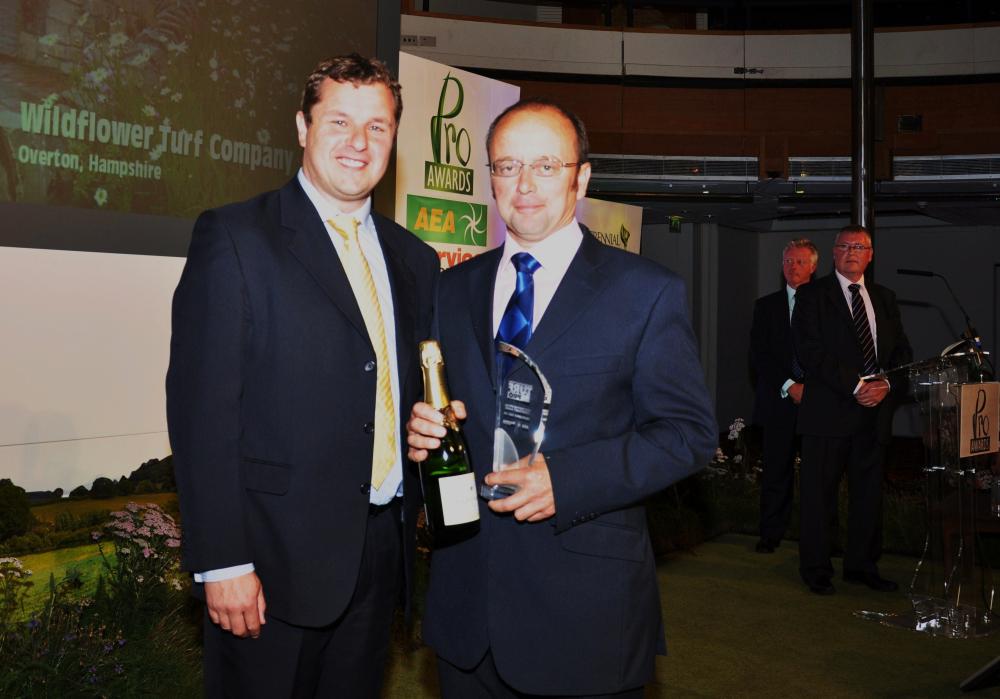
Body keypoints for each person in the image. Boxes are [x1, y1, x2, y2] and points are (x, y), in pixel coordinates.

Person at [406, 98, 716, 697]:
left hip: (584, 616)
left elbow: (686, 435)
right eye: (506, 166)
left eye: (546, 166)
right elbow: (446, 416)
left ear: (582, 176)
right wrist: (420, 435)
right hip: (466, 613)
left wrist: (567, 478)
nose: (524, 185)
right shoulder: (451, 289)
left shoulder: (645, 293)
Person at [165, 54, 439, 697]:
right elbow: (202, 412)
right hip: (269, 562)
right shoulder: (235, 238)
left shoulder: (415, 259)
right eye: (339, 121)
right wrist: (223, 561)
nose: (358, 142)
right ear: (301, 126)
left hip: (380, 554)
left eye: (377, 126)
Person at [792, 225, 911, 595]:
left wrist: (887, 385)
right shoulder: (812, 295)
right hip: (828, 413)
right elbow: (809, 351)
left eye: (859, 247)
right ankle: (816, 569)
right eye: (844, 246)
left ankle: (861, 566)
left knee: (868, 497)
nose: (852, 252)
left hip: (874, 416)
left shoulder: (885, 297)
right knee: (818, 497)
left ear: (871, 255)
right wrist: (858, 385)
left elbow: (901, 354)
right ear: (833, 253)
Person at [749, 238, 818, 553]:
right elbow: (759, 356)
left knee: (819, 475)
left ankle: (818, 538)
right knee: (776, 470)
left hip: (819, 403)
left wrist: (811, 389)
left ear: (813, 267)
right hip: (779, 400)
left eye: (800, 262)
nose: (793, 267)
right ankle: (771, 534)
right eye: (789, 261)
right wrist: (790, 385)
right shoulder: (766, 306)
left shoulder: (826, 305)